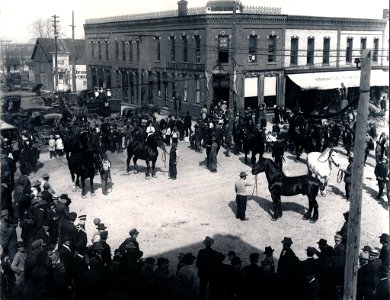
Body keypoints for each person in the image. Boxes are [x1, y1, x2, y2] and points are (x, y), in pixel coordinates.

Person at [196, 236, 221, 300]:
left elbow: (197, 264)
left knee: (202, 289)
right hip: (211, 274)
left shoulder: (201, 252)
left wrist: (203, 269)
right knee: (212, 290)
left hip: (203, 274)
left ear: (205, 244)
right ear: (211, 244)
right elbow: (216, 264)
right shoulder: (215, 253)